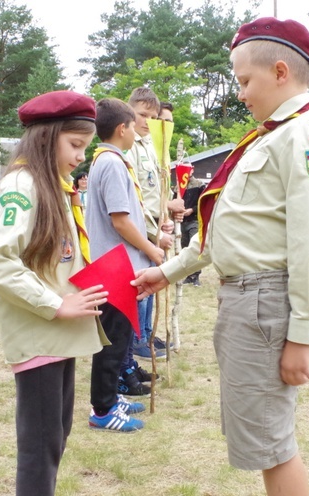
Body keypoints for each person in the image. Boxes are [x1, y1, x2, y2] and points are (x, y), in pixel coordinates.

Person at [133, 18, 309, 496]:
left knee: (273, 441)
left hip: (263, 302)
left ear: (279, 72)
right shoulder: (270, 138)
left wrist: (304, 336)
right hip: (245, 301)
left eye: (244, 81)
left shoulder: (304, 137)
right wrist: (167, 272)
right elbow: (225, 230)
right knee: (263, 434)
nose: (241, 94)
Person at [0, 90, 117, 495]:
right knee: (39, 450)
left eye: (85, 147)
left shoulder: (53, 185)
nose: (80, 157)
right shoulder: (21, 186)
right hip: (41, 331)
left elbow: (60, 258)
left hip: (58, 335)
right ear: (46, 137)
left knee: (55, 438)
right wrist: (56, 303)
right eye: (75, 145)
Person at [86, 97, 166, 429]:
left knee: (116, 339)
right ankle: (103, 411)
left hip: (115, 263)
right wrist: (151, 248)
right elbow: (120, 220)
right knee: (112, 340)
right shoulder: (112, 164)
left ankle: (110, 398)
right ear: (123, 128)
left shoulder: (108, 161)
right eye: (135, 124)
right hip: (115, 265)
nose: (138, 130)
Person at [126, 87, 181, 360]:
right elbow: (134, 199)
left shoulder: (150, 145)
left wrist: (166, 220)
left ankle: (145, 334)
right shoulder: (129, 147)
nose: (147, 121)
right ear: (130, 113)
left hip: (156, 225)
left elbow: (158, 192)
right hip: (141, 229)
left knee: (151, 283)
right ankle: (137, 339)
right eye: (142, 115)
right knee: (141, 286)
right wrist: (153, 234)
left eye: (152, 116)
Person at [180, 166, 204, 287]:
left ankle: (196, 276)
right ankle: (189, 275)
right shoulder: (179, 186)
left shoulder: (199, 184)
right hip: (182, 221)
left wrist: (192, 210)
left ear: (192, 170)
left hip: (194, 220)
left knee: (194, 247)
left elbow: (203, 202)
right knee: (185, 248)